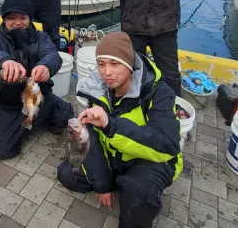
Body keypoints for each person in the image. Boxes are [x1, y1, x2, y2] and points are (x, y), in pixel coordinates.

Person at [57, 32, 183, 228]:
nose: (107, 72)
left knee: (138, 190)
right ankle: (117, 183)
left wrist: (111, 125)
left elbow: (167, 144)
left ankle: (140, 199)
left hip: (151, 159)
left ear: (130, 64)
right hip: (116, 154)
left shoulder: (159, 93)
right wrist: (102, 185)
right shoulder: (98, 89)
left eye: (115, 64)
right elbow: (92, 137)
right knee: (66, 173)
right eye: (101, 64)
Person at [0, 0, 74, 159]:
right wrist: (5, 60)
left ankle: (47, 113)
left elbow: (53, 55)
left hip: (40, 96)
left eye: (23, 17)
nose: (17, 22)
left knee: (68, 116)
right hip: (10, 104)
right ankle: (14, 121)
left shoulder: (41, 37)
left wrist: (46, 65)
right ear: (4, 19)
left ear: (30, 18)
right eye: (11, 18)